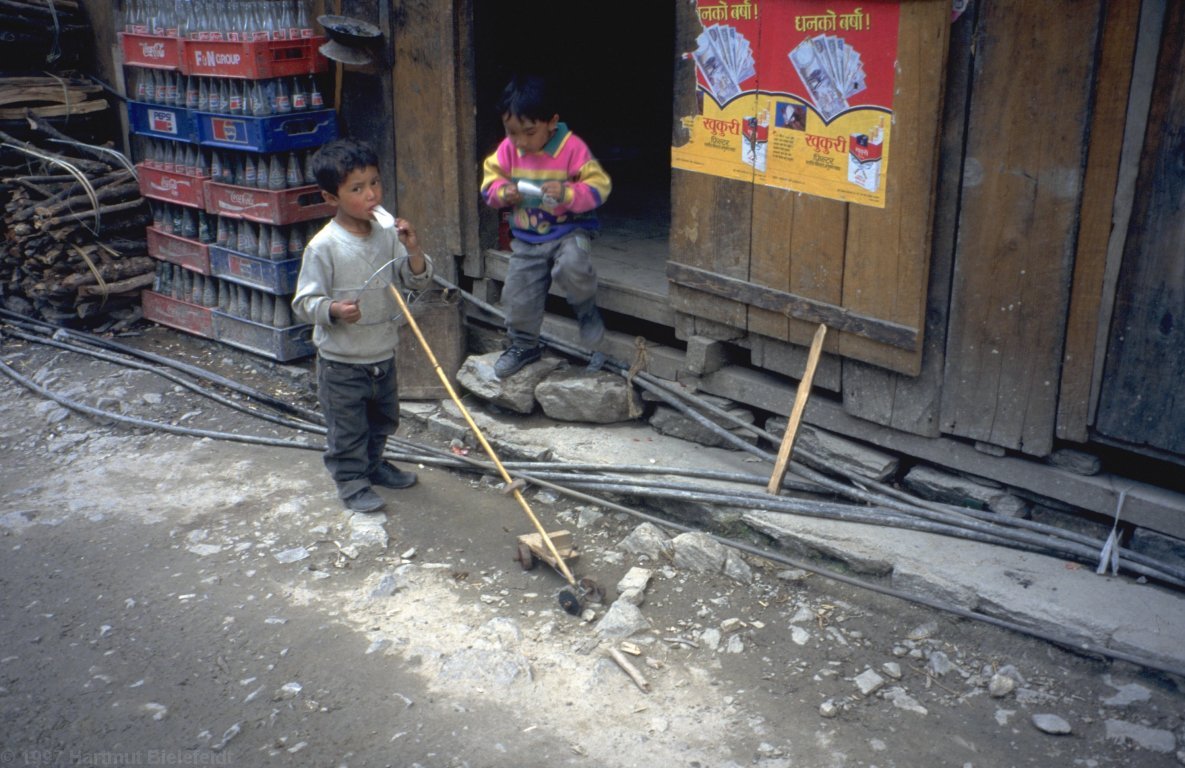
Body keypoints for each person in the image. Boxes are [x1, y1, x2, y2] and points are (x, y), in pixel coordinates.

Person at [292, 138, 434, 514]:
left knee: (383, 419)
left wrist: (414, 250)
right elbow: (304, 303)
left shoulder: (388, 235)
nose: (371, 194)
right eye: (357, 188)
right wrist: (333, 309)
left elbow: (414, 279)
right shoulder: (324, 247)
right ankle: (352, 481)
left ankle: (373, 465)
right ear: (331, 197)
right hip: (341, 361)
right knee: (348, 428)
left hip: (382, 350)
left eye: (374, 183)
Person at [480, 74, 612, 378]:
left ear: (552, 122)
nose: (521, 142)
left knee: (573, 266)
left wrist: (568, 193)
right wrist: (503, 192)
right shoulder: (507, 149)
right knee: (517, 294)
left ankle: (586, 311)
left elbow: (599, 187)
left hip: (570, 231)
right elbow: (490, 184)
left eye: (529, 132)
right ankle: (524, 345)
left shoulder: (572, 147)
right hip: (527, 238)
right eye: (512, 132)